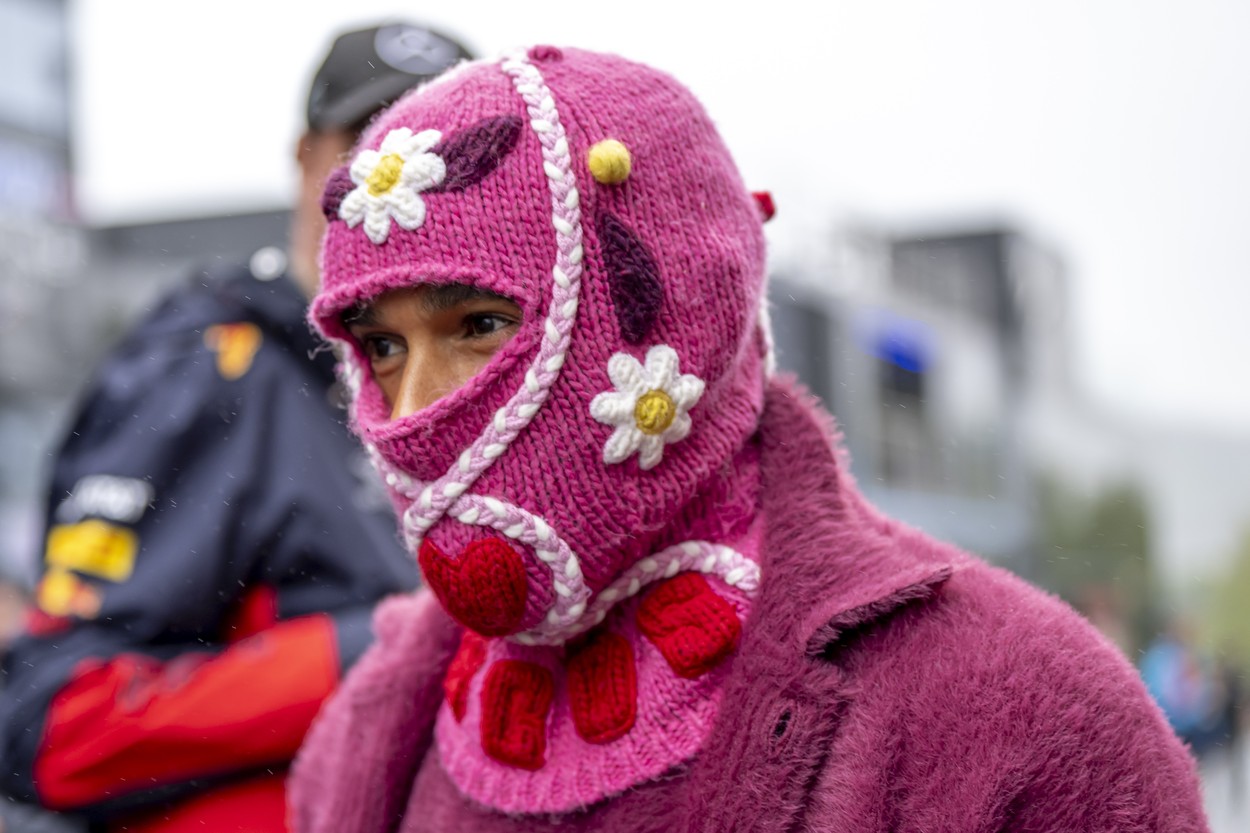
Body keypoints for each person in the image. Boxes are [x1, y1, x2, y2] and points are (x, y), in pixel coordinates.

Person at [289, 46, 1209, 831]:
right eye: (381, 346)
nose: (412, 406)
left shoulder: (1020, 703)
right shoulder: (372, 727)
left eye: (478, 325)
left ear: (677, 321)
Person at [0, 22, 471, 833]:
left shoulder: (478, 400)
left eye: (450, 161)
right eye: (373, 147)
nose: (407, 186)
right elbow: (51, 719)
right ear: (305, 160)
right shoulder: (211, 364)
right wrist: (381, 649)